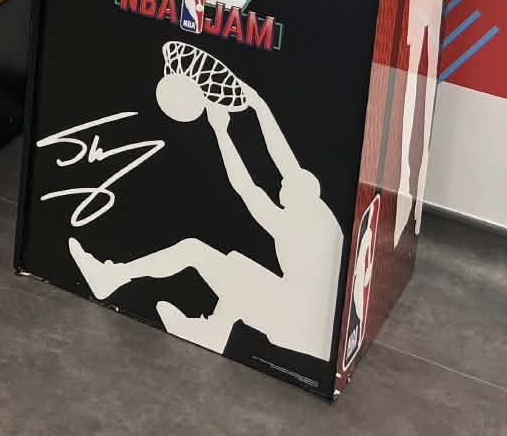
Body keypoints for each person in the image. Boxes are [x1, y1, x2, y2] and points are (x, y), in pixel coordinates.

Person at [68, 78, 343, 361]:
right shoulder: (322, 218)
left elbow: (247, 187)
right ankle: (213, 331)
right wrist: (259, 106)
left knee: (195, 251)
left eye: (286, 187)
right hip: (313, 327)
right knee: (238, 268)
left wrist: (221, 131)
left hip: (296, 321)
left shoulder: (290, 224)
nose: (282, 185)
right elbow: (284, 161)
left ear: (300, 193)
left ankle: (112, 276)